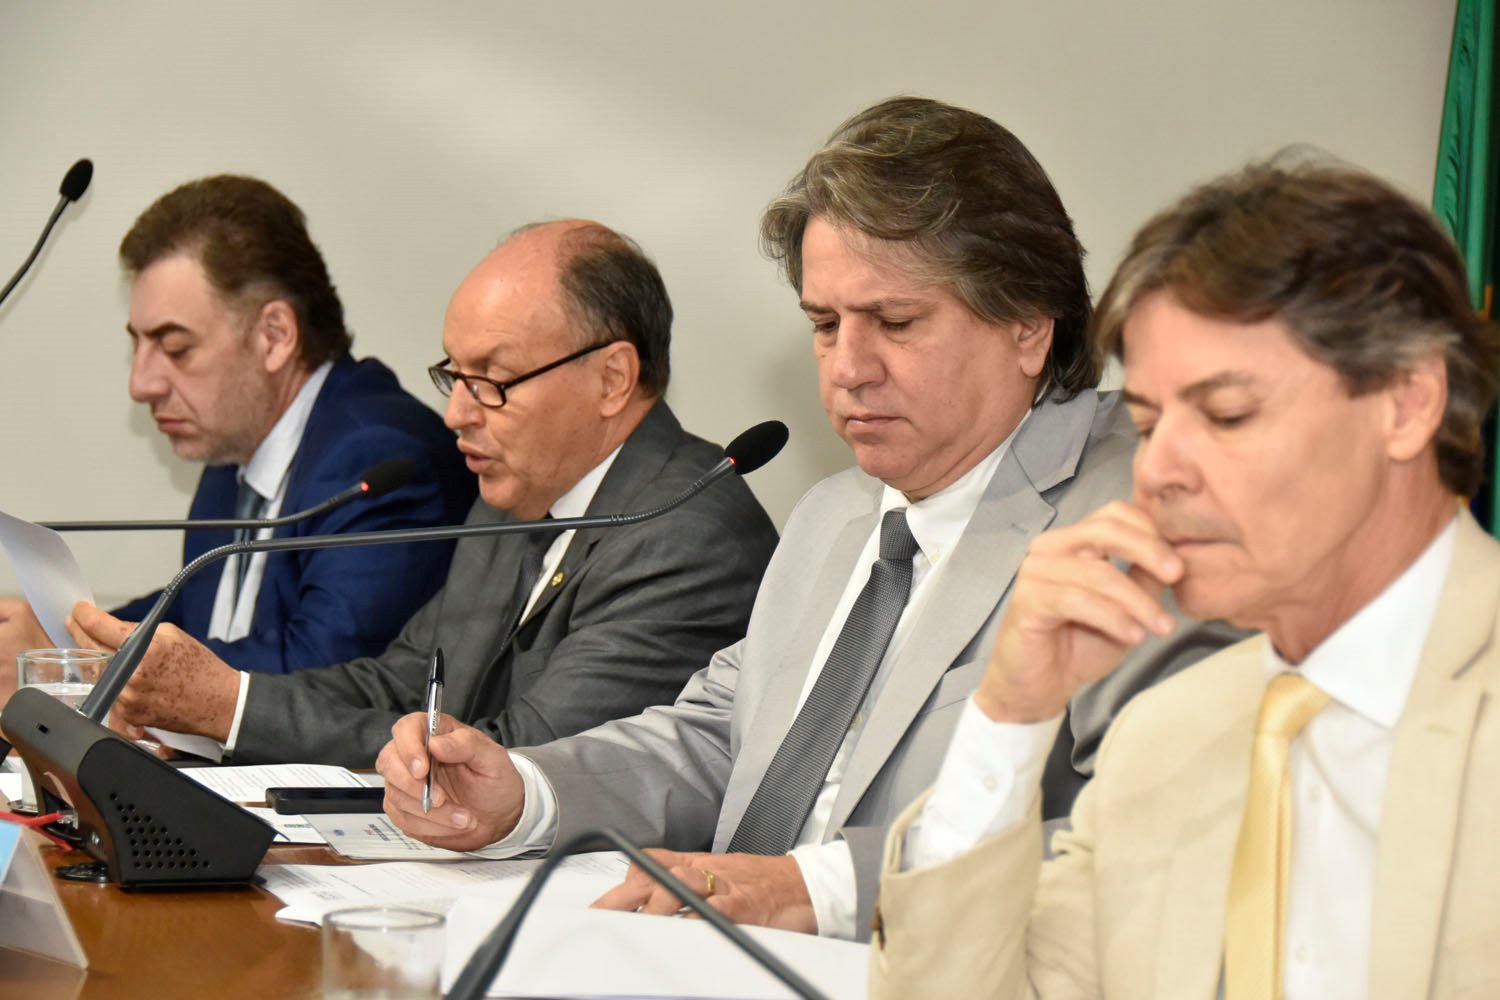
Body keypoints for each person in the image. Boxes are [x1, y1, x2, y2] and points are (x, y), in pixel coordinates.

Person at [376, 97, 1236, 941]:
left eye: (894, 321)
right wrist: (525, 792)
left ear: (1028, 326)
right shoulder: (835, 512)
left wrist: (814, 892)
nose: (848, 367)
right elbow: (724, 737)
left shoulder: (1150, 514)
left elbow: (1154, 842)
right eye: (824, 324)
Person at [870, 157, 1500, 997]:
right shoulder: (1163, 738)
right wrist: (1010, 715)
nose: (1158, 469)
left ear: (1408, 403)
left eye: (1227, 414)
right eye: (1147, 422)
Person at [70, 219, 780, 769]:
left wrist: (231, 709)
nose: (456, 414)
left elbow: (522, 760)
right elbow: (401, 682)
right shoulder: (512, 496)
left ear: (612, 378)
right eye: (454, 376)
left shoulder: (687, 537)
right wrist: (214, 706)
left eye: (491, 381)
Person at [0, 175, 474, 704]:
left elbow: (325, 678)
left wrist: (80, 667)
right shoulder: (232, 454)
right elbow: (188, 617)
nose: (140, 384)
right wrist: (64, 637)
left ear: (274, 336)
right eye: (138, 345)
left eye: (175, 348)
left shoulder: (379, 458)